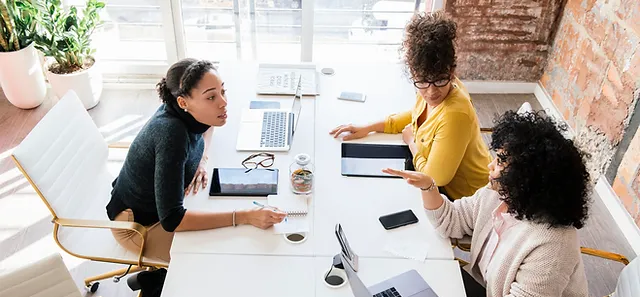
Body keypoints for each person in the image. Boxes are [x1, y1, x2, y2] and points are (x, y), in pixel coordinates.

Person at [384, 111, 590, 297]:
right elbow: (452, 221)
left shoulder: (553, 242)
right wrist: (429, 186)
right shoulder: (499, 196)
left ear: (528, 177)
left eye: (501, 161)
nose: (491, 165)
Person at [106, 58, 286, 263]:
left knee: (242, 235)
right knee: (229, 252)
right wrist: (244, 216)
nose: (223, 102)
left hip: (163, 207)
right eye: (211, 97)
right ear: (183, 102)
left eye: (222, 91)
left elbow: (208, 125)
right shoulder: (171, 134)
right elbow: (173, 219)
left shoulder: (182, 110)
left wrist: (201, 159)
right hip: (139, 227)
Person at [330, 12, 492, 200]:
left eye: (439, 80)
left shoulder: (456, 114)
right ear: (413, 72)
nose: (431, 92)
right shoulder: (433, 89)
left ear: (452, 71)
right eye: (422, 81)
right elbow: (417, 114)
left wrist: (412, 142)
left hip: (469, 200)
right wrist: (369, 128)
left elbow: (433, 178)